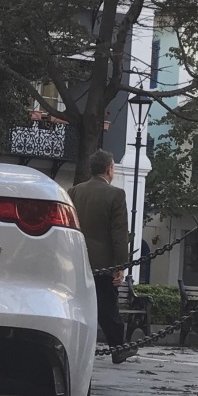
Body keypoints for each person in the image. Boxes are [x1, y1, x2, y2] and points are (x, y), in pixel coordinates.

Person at [69, 149, 136, 364]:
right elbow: (119, 233)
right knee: (108, 307)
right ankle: (118, 347)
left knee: (78, 305)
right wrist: (120, 266)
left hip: (78, 260)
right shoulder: (116, 195)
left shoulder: (74, 192)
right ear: (109, 169)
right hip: (104, 263)